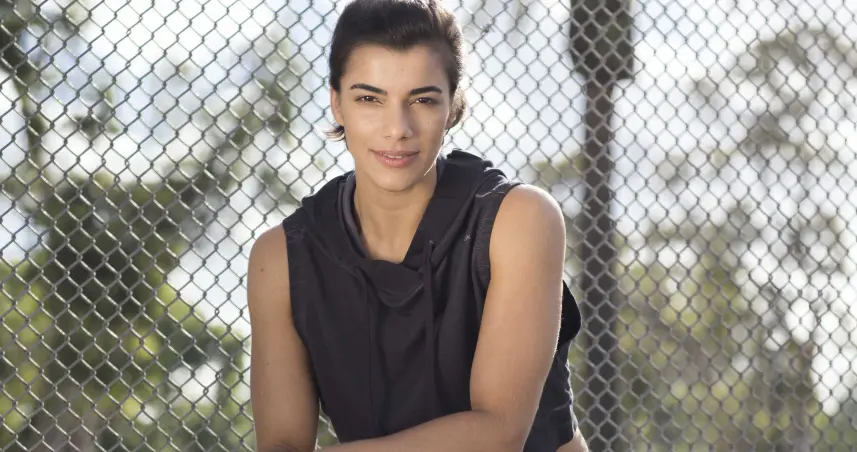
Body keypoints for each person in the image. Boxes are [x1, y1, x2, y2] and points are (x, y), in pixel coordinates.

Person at [247, 0, 588, 450]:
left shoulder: (518, 220)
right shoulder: (282, 258)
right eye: (369, 99)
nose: (398, 128)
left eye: (422, 100)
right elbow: (282, 443)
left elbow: (498, 434)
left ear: (453, 106)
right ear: (337, 103)